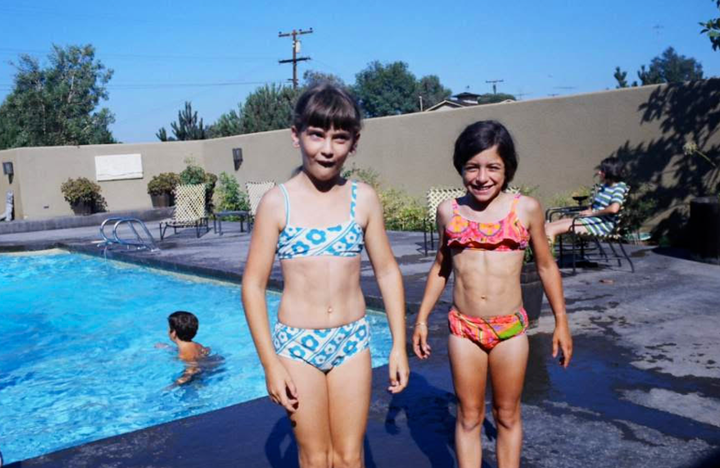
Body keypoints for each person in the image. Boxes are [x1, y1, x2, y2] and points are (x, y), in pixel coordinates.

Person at [242, 83, 409, 468]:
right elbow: (252, 285)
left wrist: (398, 345)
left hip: (352, 340)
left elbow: (386, 271)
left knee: (350, 458)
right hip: (297, 345)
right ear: (296, 135)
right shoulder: (276, 202)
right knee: (316, 458)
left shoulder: (362, 198)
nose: (327, 148)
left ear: (354, 142)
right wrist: (270, 363)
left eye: (340, 138)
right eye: (316, 135)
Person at [412, 120, 573, 468]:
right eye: (472, 167)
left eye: (492, 167)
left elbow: (546, 266)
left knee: (507, 414)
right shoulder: (449, 213)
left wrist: (561, 321)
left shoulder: (525, 209)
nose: (482, 177)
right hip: (464, 329)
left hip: (510, 330)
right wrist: (422, 318)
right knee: (469, 416)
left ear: (507, 169)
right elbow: (441, 268)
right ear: (460, 167)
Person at [545, 156, 628, 242]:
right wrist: (588, 210)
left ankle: (546, 255)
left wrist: (593, 213)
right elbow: (594, 206)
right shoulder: (604, 186)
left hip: (601, 226)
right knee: (547, 226)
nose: (599, 172)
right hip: (591, 221)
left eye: (602, 171)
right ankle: (538, 254)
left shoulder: (619, 187)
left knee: (551, 230)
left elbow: (614, 208)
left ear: (610, 172)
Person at [165, 310, 211, 385]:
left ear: (173, 333)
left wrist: (174, 385)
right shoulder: (196, 345)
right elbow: (205, 351)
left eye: (168, 328)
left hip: (196, 377)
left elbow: (191, 370)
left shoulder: (184, 353)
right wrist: (167, 347)